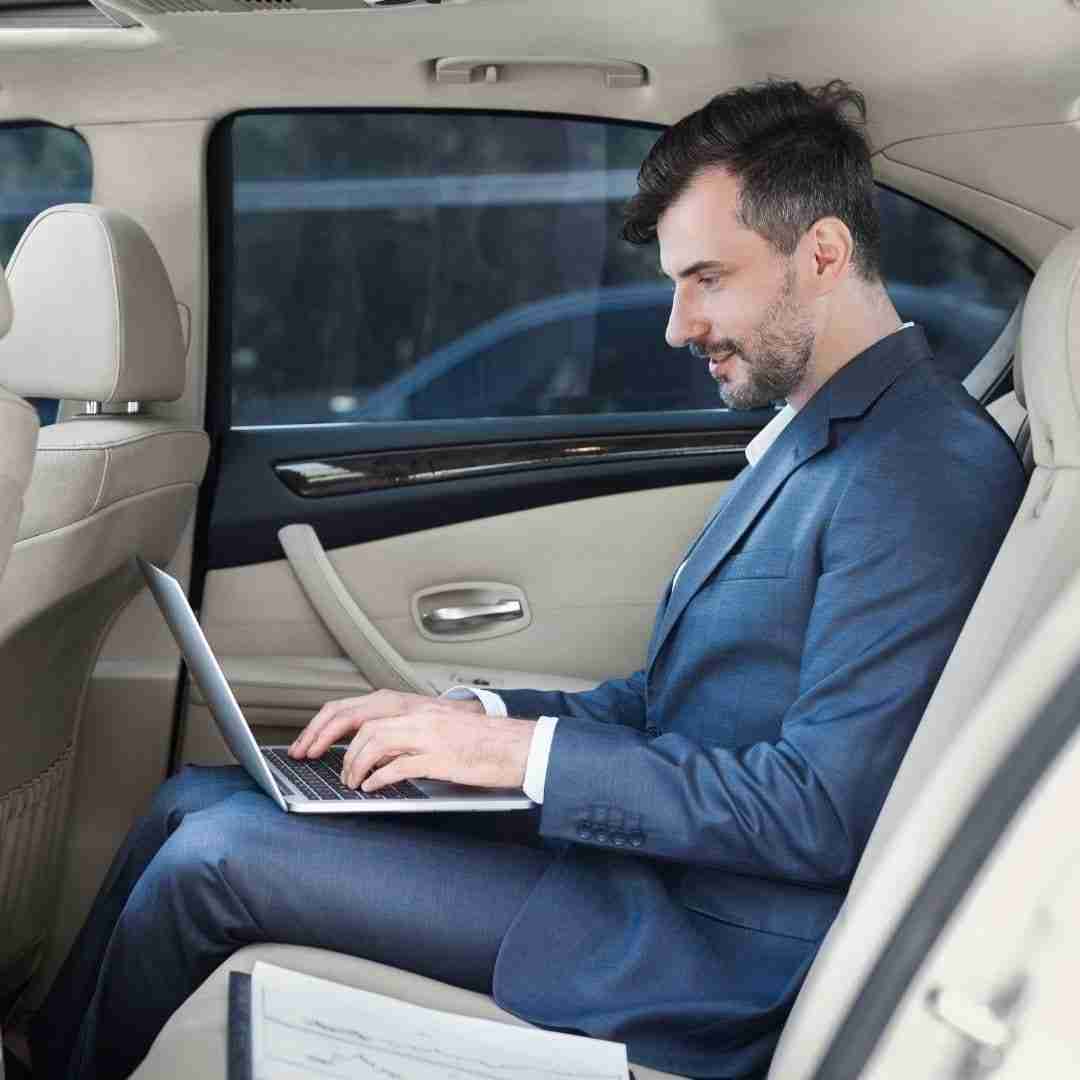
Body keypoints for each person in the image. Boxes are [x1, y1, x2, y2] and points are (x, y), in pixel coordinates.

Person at [31, 79, 1026, 1080]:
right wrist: (464, 718)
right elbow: (680, 702)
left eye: (708, 279)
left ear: (822, 252)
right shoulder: (819, 437)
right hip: (651, 871)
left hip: (705, 947)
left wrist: (520, 758)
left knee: (213, 864)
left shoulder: (917, 471)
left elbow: (816, 809)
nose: (679, 326)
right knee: (194, 802)